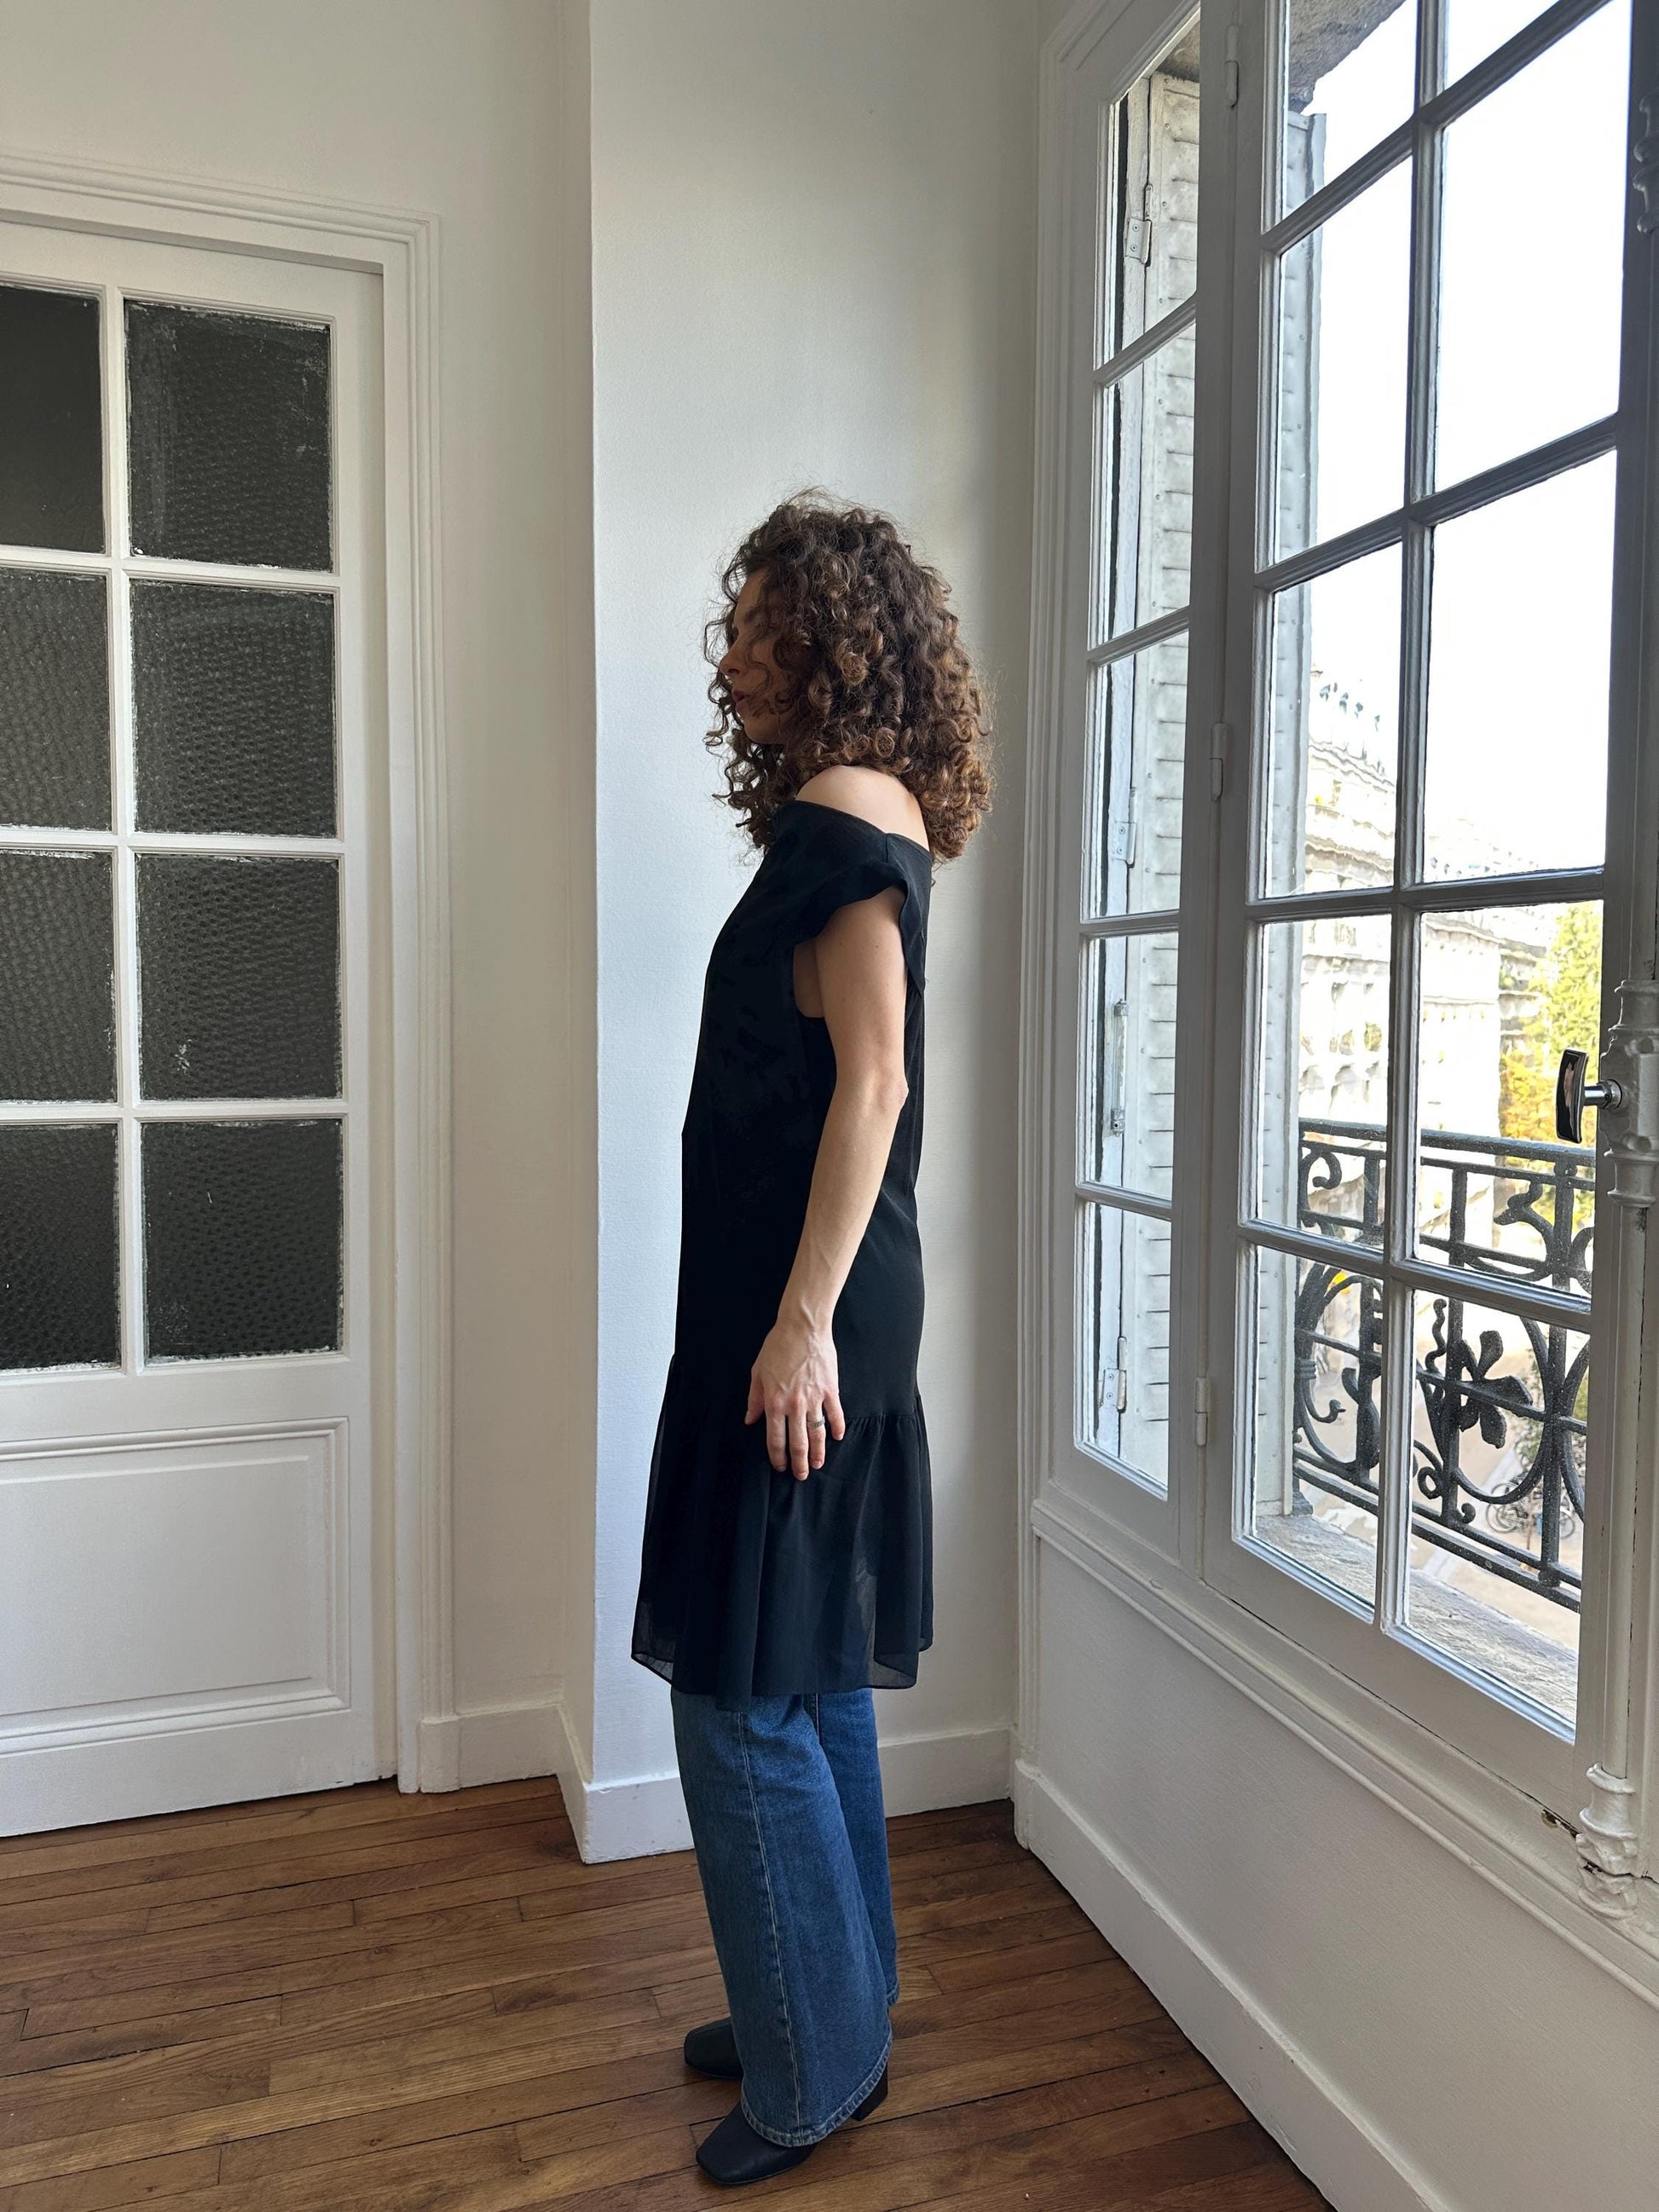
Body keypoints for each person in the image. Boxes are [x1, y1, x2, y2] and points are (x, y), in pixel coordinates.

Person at [630, 491, 993, 2185]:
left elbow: (878, 1081)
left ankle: (812, 2066)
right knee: (799, 1663)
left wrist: (796, 1326)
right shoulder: (858, 813)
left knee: (743, 1689)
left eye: (759, 617)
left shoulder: (846, 822)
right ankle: (824, 2002)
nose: (736, 647)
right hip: (806, 1299)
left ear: (833, 634)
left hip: (810, 1308)